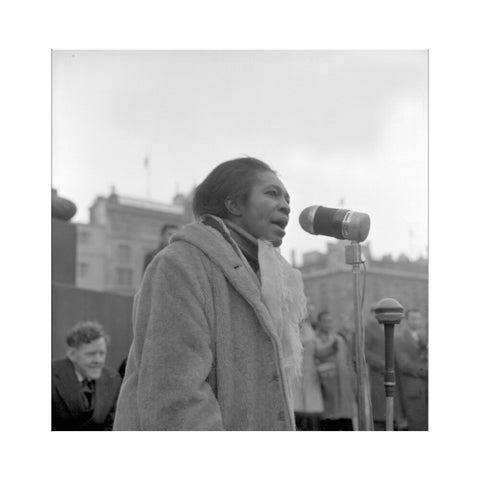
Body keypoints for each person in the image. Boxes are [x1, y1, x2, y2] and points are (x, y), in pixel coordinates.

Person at [113, 157, 307, 430]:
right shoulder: (179, 263)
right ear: (234, 204)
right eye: (272, 193)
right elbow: (175, 396)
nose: (286, 205)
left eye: (288, 198)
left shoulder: (267, 277)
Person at [52, 321, 122, 430]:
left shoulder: (113, 379)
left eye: (102, 353)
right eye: (91, 354)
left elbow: (111, 426)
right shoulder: (51, 376)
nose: (98, 360)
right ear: (72, 355)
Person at [314, 310, 357, 430]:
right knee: (329, 424)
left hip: (344, 389)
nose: (328, 324)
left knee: (346, 424)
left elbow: (349, 363)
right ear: (319, 323)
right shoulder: (314, 340)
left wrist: (354, 385)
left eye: (330, 321)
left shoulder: (340, 340)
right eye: (325, 321)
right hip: (326, 390)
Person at [364, 307, 406, 430]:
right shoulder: (369, 329)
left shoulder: (391, 326)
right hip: (379, 375)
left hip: (395, 373)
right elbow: (364, 352)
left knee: (394, 410)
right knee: (380, 411)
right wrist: (381, 363)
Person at [395, 309, 428, 431]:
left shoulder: (425, 337)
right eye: (413, 318)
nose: (416, 321)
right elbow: (405, 365)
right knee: (418, 426)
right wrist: (427, 370)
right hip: (413, 391)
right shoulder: (399, 339)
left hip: (427, 390)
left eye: (418, 318)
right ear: (407, 320)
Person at [292, 308, 324, 430]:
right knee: (296, 403)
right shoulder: (292, 330)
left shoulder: (312, 333)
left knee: (311, 406)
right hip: (296, 372)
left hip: (310, 372)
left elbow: (319, 351)